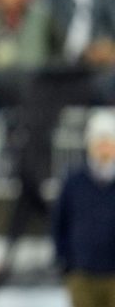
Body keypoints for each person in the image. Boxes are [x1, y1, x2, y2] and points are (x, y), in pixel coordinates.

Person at [52, 108, 115, 307]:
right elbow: (59, 222)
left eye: (108, 143)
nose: (104, 149)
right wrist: (64, 260)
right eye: (99, 143)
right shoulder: (74, 182)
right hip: (81, 272)